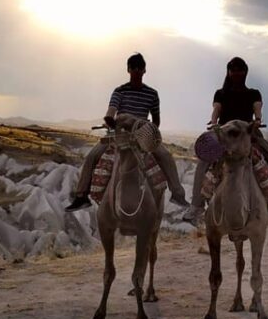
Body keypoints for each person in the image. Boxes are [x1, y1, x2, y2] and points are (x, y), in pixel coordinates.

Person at [65, 52, 188, 211]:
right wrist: (109, 119)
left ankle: (177, 194)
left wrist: (150, 132)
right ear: (128, 70)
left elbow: (156, 119)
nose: (137, 71)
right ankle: (82, 196)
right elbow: (111, 110)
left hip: (142, 134)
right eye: (133, 68)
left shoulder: (152, 94)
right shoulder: (120, 91)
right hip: (119, 133)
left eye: (140, 68)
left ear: (145, 70)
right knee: (92, 157)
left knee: (166, 156)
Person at [183, 56, 268, 222]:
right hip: (225, 136)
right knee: (203, 163)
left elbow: (257, 109)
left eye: (240, 70)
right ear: (228, 72)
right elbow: (216, 109)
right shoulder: (220, 93)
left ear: (245, 72)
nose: (236, 73)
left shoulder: (253, 93)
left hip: (247, 134)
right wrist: (214, 121)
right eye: (233, 70)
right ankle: (196, 206)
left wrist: (257, 120)